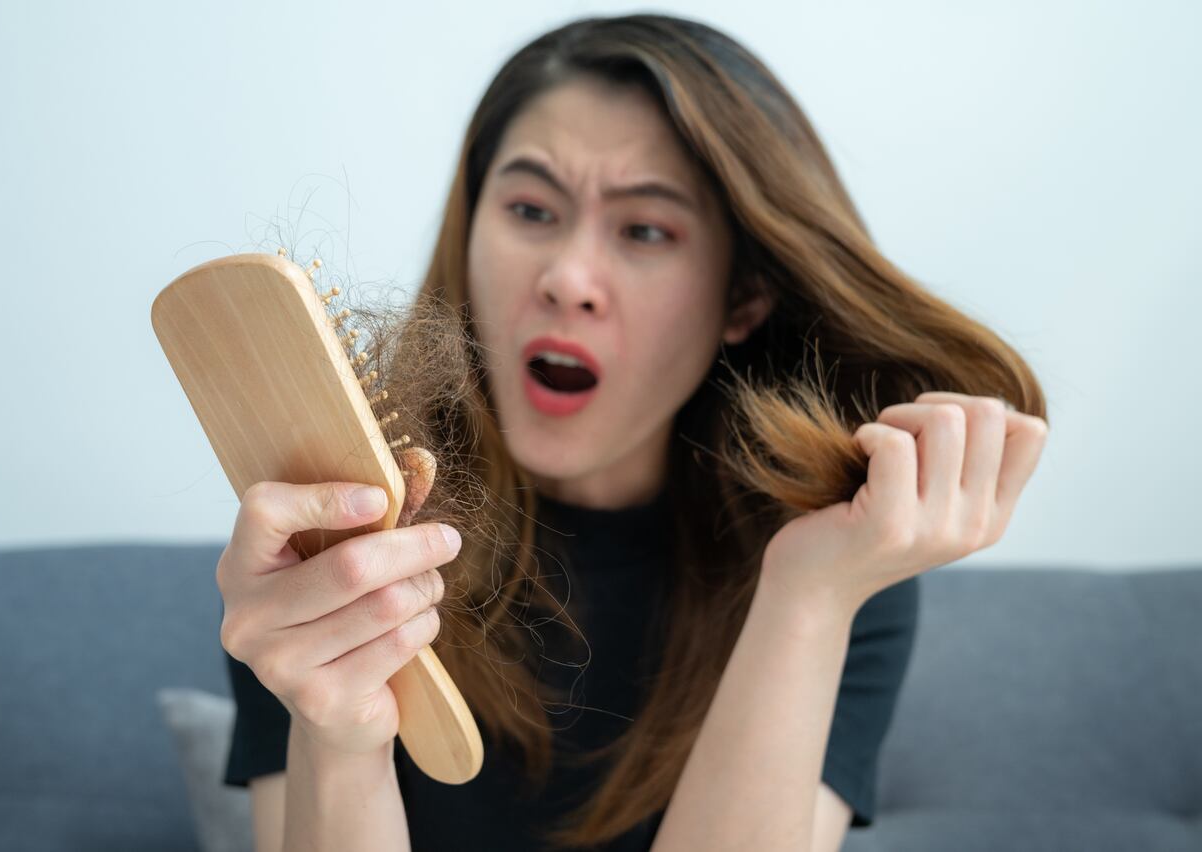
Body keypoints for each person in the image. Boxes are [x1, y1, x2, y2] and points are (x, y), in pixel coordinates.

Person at [216, 12, 1049, 852]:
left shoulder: (839, 565)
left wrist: (808, 597)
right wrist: (338, 737)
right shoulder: (338, 539)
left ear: (743, 300)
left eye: (645, 229)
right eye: (532, 209)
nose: (568, 278)